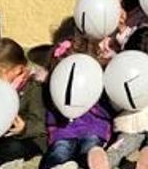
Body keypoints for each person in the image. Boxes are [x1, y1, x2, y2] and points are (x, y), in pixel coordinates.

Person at [89, 28, 148, 169]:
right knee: (122, 143)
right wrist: (123, 95)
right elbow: (116, 105)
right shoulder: (124, 74)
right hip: (132, 123)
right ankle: (105, 162)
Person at [0, 38, 47, 169]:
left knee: (9, 149)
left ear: (17, 70)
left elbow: (41, 123)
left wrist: (24, 128)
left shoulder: (33, 87)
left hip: (28, 139)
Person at [40, 36, 113, 169]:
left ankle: (92, 162)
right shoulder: (55, 83)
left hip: (93, 127)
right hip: (63, 130)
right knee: (59, 152)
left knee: (90, 148)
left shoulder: (98, 79)